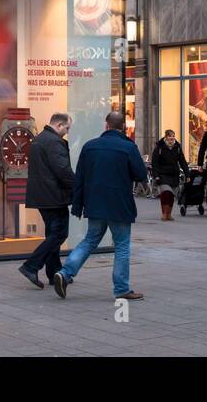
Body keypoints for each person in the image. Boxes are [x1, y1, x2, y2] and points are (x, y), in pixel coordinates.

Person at [52, 110, 148, 301]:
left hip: (95, 203)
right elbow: (140, 174)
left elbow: (80, 178)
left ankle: (65, 273)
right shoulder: (128, 147)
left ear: (106, 125)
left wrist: (78, 205)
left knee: (90, 240)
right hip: (119, 205)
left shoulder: (90, 147)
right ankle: (121, 288)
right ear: (123, 127)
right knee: (121, 245)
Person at [18, 112, 75, 288]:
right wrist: (77, 186)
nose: (67, 132)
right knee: (59, 234)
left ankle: (54, 272)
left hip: (43, 195)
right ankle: (31, 266)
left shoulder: (40, 138)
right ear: (59, 125)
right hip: (53, 196)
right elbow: (63, 171)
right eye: (66, 128)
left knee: (53, 234)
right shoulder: (54, 142)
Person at [150, 129, 189, 221]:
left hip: (174, 174)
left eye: (173, 137)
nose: (171, 139)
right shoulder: (159, 147)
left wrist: (187, 174)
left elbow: (182, 161)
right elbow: (154, 162)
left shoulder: (177, 147)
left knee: (171, 195)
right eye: (170, 137)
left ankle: (169, 214)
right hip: (163, 174)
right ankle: (164, 213)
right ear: (166, 137)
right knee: (166, 193)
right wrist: (156, 175)